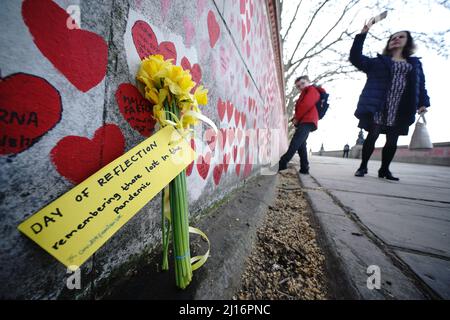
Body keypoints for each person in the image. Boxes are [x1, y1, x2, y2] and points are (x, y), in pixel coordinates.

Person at [349, 22, 430, 180]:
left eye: (401, 37)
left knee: (392, 140)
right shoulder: (378, 62)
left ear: (408, 42)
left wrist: (422, 103)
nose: (396, 39)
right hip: (379, 104)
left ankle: (384, 170)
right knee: (372, 134)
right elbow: (356, 58)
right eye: (393, 37)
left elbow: (420, 85)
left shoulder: (415, 64)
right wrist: (362, 34)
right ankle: (363, 166)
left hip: (401, 106)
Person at [278, 76, 325, 174]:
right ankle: (305, 167)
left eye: (303, 83)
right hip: (305, 120)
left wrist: (297, 118)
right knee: (301, 145)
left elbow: (306, 105)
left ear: (308, 82)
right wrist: (296, 118)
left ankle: (282, 162)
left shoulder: (312, 90)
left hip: (308, 120)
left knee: (296, 141)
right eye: (298, 86)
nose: (301, 87)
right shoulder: (305, 93)